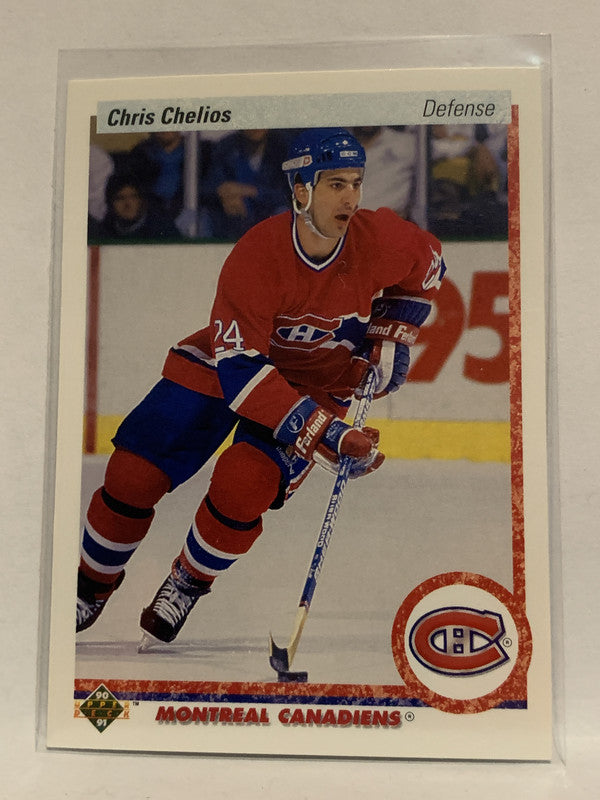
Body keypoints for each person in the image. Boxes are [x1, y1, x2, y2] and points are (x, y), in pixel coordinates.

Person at [75, 128, 446, 647]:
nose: (351, 197)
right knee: (133, 474)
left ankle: (187, 580)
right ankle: (91, 584)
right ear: (301, 190)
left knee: (243, 485)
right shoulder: (257, 255)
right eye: (335, 184)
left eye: (356, 183)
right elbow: (242, 372)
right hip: (229, 365)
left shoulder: (380, 239)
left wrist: (393, 333)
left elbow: (429, 264)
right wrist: (327, 433)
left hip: (316, 380)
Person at [202, 128, 290, 240]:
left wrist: (250, 191)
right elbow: (211, 184)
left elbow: (288, 194)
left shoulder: (283, 145)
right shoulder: (227, 146)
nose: (256, 127)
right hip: (232, 214)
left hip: (269, 210)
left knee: (282, 213)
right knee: (203, 218)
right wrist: (224, 194)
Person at [351, 126, 417, 218]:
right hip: (348, 222)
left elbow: (440, 146)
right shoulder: (339, 146)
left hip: (388, 221)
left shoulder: (405, 143)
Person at [97, 173, 181, 241]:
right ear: (110, 203)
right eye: (120, 198)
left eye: (133, 197)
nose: (128, 204)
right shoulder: (104, 230)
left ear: (142, 200)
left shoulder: (162, 229)